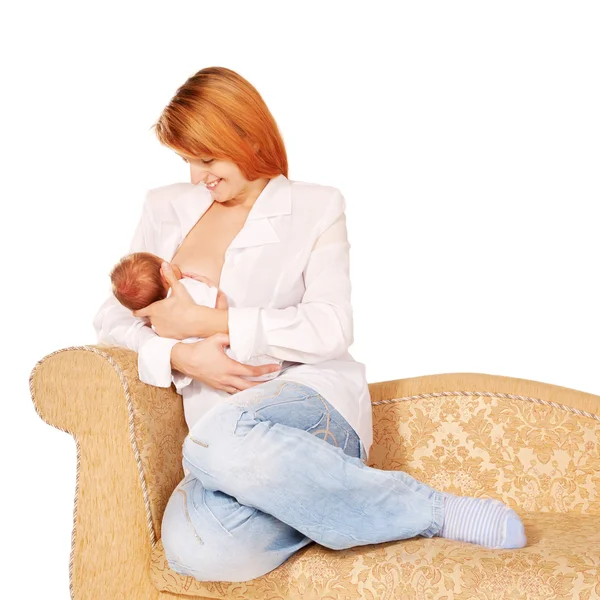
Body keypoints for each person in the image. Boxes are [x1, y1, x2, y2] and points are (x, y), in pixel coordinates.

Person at [92, 66, 526, 583]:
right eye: (186, 160)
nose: (195, 176)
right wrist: (180, 356)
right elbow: (111, 317)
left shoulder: (317, 207)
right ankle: (323, 501)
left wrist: (205, 320)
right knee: (198, 552)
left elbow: (329, 327)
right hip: (228, 437)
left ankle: (431, 509)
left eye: (206, 158)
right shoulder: (165, 207)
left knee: (214, 440)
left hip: (305, 396)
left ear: (246, 136)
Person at [107, 250, 286, 433]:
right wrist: (211, 290)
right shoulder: (188, 287)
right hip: (236, 358)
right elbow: (219, 305)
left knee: (209, 423)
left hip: (201, 388)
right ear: (165, 271)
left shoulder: (155, 321)